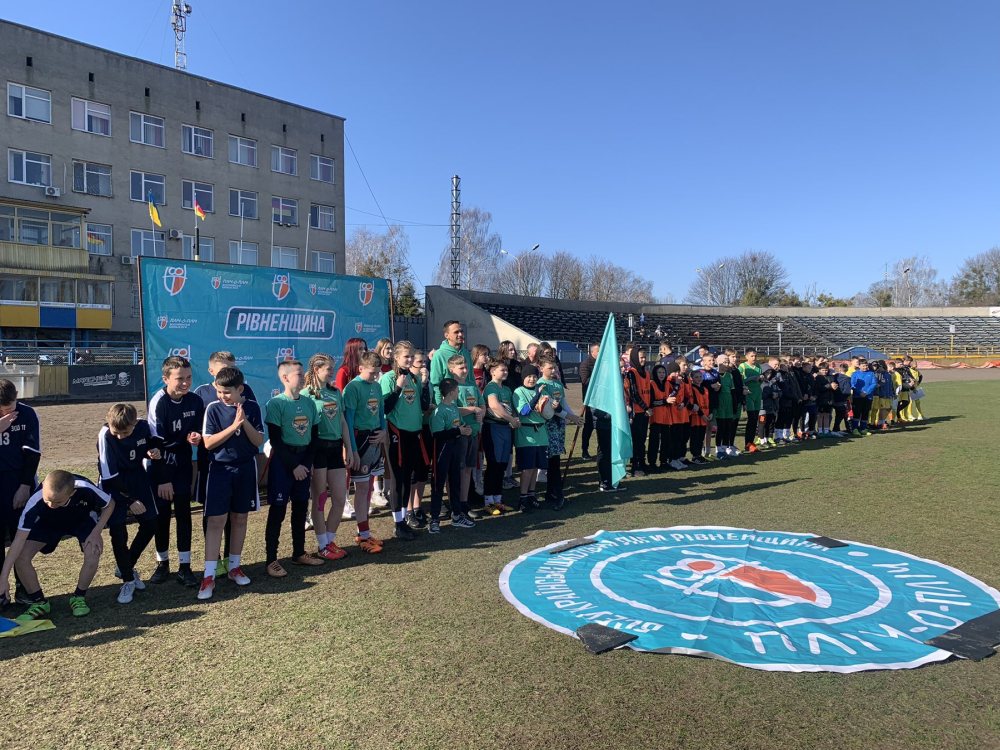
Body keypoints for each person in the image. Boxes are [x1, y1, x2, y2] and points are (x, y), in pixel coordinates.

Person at [0, 471, 114, 620]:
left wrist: (96, 532)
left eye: (58, 502)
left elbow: (109, 504)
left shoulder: (85, 487)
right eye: (47, 500)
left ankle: (78, 597)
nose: (51, 505)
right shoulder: (35, 501)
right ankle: (39, 602)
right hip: (48, 524)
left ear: (72, 493)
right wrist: (3, 578)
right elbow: (18, 541)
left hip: (81, 520)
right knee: (21, 557)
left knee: (93, 551)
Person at [199, 366, 263, 599]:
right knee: (216, 521)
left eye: (227, 392)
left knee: (240, 518)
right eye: (219, 391)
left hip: (245, 469)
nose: (222, 396)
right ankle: (208, 576)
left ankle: (234, 567)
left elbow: (258, 440)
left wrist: (244, 422)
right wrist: (233, 427)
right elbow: (208, 443)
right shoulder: (213, 409)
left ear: (240, 389)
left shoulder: (252, 407)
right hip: (220, 470)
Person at [147, 356, 204, 587]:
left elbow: (199, 429)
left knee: (183, 513)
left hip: (182, 464)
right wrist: (162, 479)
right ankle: (162, 564)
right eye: (180, 378)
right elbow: (154, 444)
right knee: (162, 516)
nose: (185, 383)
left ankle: (185, 566)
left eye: (188, 377)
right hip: (161, 464)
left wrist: (196, 436)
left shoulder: (195, 401)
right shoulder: (158, 402)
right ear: (166, 378)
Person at [98, 403, 162, 604]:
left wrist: (154, 451)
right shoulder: (105, 435)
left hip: (138, 479)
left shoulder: (143, 426)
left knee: (151, 523)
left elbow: (155, 442)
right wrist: (129, 499)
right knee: (118, 532)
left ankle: (126, 565)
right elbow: (108, 475)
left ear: (134, 423)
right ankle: (128, 580)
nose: (120, 437)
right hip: (114, 484)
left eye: (125, 433)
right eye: (116, 432)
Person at [264, 360, 322, 577]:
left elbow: (314, 438)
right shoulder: (276, 403)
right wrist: (294, 465)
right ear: (285, 378)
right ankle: (271, 559)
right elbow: (275, 441)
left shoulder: (309, 403)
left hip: (303, 461)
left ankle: (299, 553)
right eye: (298, 373)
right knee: (278, 511)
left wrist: (305, 464)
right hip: (283, 462)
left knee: (300, 508)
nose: (303, 376)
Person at [301, 353, 353, 560]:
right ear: (316, 370)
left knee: (340, 498)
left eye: (333, 368)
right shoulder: (306, 395)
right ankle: (322, 545)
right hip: (318, 450)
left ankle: (329, 541)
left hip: (335, 449)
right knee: (320, 499)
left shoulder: (335, 392)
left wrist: (349, 448)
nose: (332, 372)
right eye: (329, 369)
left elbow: (342, 422)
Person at [0, 379, 41, 604]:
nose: (8, 413)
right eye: (3, 409)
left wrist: (25, 486)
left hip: (18, 484)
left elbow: (33, 453)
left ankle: (23, 590)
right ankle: (1, 593)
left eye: (11, 406)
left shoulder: (27, 414)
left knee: (20, 540)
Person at [343, 350, 388, 553]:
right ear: (360, 368)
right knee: (361, 488)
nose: (375, 376)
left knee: (369, 487)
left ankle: (365, 532)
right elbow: (349, 420)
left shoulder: (376, 386)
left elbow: (381, 412)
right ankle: (362, 534)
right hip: (360, 440)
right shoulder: (352, 388)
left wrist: (383, 432)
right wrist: (353, 450)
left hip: (375, 439)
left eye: (377, 372)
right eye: (371, 372)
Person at [380, 341, 424, 540]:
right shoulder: (389, 378)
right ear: (396, 357)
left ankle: (404, 520)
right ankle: (398, 524)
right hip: (397, 433)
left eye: (411, 356)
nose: (410, 359)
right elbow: (385, 407)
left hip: (414, 433)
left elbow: (421, 406)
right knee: (398, 480)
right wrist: (398, 388)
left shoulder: (414, 378)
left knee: (408, 478)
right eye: (406, 356)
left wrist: (425, 385)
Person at [537, 355, 580, 510]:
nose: (554, 370)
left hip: (559, 426)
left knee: (555, 460)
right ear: (541, 368)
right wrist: (570, 417)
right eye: (550, 368)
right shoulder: (540, 385)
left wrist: (573, 416)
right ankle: (556, 492)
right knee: (553, 461)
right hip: (548, 426)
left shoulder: (557, 384)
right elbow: (549, 409)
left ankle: (551, 492)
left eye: (555, 367)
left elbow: (562, 403)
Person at [428, 378, 471, 533]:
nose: (458, 392)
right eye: (457, 390)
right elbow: (437, 434)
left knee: (455, 482)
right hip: (442, 451)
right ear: (452, 392)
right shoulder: (439, 411)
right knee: (438, 485)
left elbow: (458, 424)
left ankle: (457, 515)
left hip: (455, 449)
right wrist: (458, 431)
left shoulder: (453, 407)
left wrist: (465, 428)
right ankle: (434, 519)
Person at [448, 353, 485, 524]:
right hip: (460, 434)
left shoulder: (472, 386)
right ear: (451, 369)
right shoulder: (450, 387)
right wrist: (472, 410)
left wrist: (481, 412)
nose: (465, 370)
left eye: (466, 367)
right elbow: (451, 409)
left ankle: (464, 504)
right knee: (458, 470)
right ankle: (455, 506)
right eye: (461, 367)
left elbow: (482, 404)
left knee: (469, 469)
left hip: (474, 433)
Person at [482, 358, 519, 515]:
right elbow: (494, 406)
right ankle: (488, 502)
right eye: (502, 370)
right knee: (493, 465)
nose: (505, 372)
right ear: (492, 372)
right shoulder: (490, 387)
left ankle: (498, 500)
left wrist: (515, 418)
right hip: (493, 428)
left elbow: (512, 407)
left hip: (505, 429)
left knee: (502, 465)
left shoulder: (507, 389)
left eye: (506, 370)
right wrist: (511, 419)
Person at [513, 364, 547, 511]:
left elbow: (548, 411)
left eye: (534, 376)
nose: (532, 379)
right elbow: (524, 411)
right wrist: (537, 395)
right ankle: (523, 498)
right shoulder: (518, 392)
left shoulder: (541, 390)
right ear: (523, 378)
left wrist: (552, 406)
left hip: (541, 433)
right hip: (526, 434)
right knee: (527, 468)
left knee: (535, 467)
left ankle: (531, 495)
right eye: (529, 376)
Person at [405, 350, 433, 529]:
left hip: (426, 428)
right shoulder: (410, 381)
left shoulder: (426, 382)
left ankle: (417, 506)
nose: (423, 365)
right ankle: (408, 511)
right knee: (412, 473)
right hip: (411, 430)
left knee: (423, 470)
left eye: (424, 362)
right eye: (419, 362)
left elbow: (427, 403)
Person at [429, 320, 474, 402]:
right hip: (449, 403)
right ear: (447, 335)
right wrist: (440, 405)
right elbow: (436, 384)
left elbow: (471, 380)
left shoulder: (466, 353)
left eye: (461, 331)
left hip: (469, 401)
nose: (460, 334)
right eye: (456, 332)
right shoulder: (439, 355)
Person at [623, 348, 650, 476]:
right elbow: (633, 394)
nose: (643, 360)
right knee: (636, 439)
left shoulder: (646, 373)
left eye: (644, 357)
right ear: (634, 358)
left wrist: (648, 408)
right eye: (640, 357)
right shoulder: (631, 373)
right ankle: (636, 465)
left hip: (645, 412)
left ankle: (642, 462)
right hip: (636, 412)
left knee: (642, 438)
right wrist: (645, 407)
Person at [738, 350, 763, 453]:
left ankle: (751, 443)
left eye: (755, 356)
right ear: (746, 356)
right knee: (751, 419)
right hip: (749, 395)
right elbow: (739, 381)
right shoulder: (742, 366)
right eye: (752, 356)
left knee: (755, 419)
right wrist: (752, 378)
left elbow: (759, 381)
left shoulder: (758, 366)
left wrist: (761, 378)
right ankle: (747, 444)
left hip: (757, 394)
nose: (754, 358)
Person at [579, 343, 599, 459]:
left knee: (602, 427)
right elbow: (585, 381)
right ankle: (584, 450)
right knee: (589, 427)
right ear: (592, 352)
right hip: (590, 401)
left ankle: (601, 451)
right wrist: (598, 373)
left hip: (602, 400)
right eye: (598, 351)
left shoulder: (603, 363)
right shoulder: (585, 364)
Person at [686, 370, 710, 464]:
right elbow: (694, 403)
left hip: (704, 417)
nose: (699, 379)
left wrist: (710, 413)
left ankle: (699, 455)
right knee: (695, 437)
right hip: (696, 416)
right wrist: (702, 415)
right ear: (692, 379)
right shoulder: (692, 388)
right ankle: (695, 456)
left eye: (700, 376)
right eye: (696, 377)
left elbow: (709, 402)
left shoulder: (705, 389)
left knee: (701, 437)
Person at [849, 358, 877, 435]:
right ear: (859, 366)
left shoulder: (871, 373)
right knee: (857, 412)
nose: (865, 367)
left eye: (866, 365)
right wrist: (860, 392)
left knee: (865, 412)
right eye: (863, 366)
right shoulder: (855, 374)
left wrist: (867, 392)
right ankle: (855, 429)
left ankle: (863, 428)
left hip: (868, 397)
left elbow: (874, 384)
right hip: (857, 397)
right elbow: (853, 384)